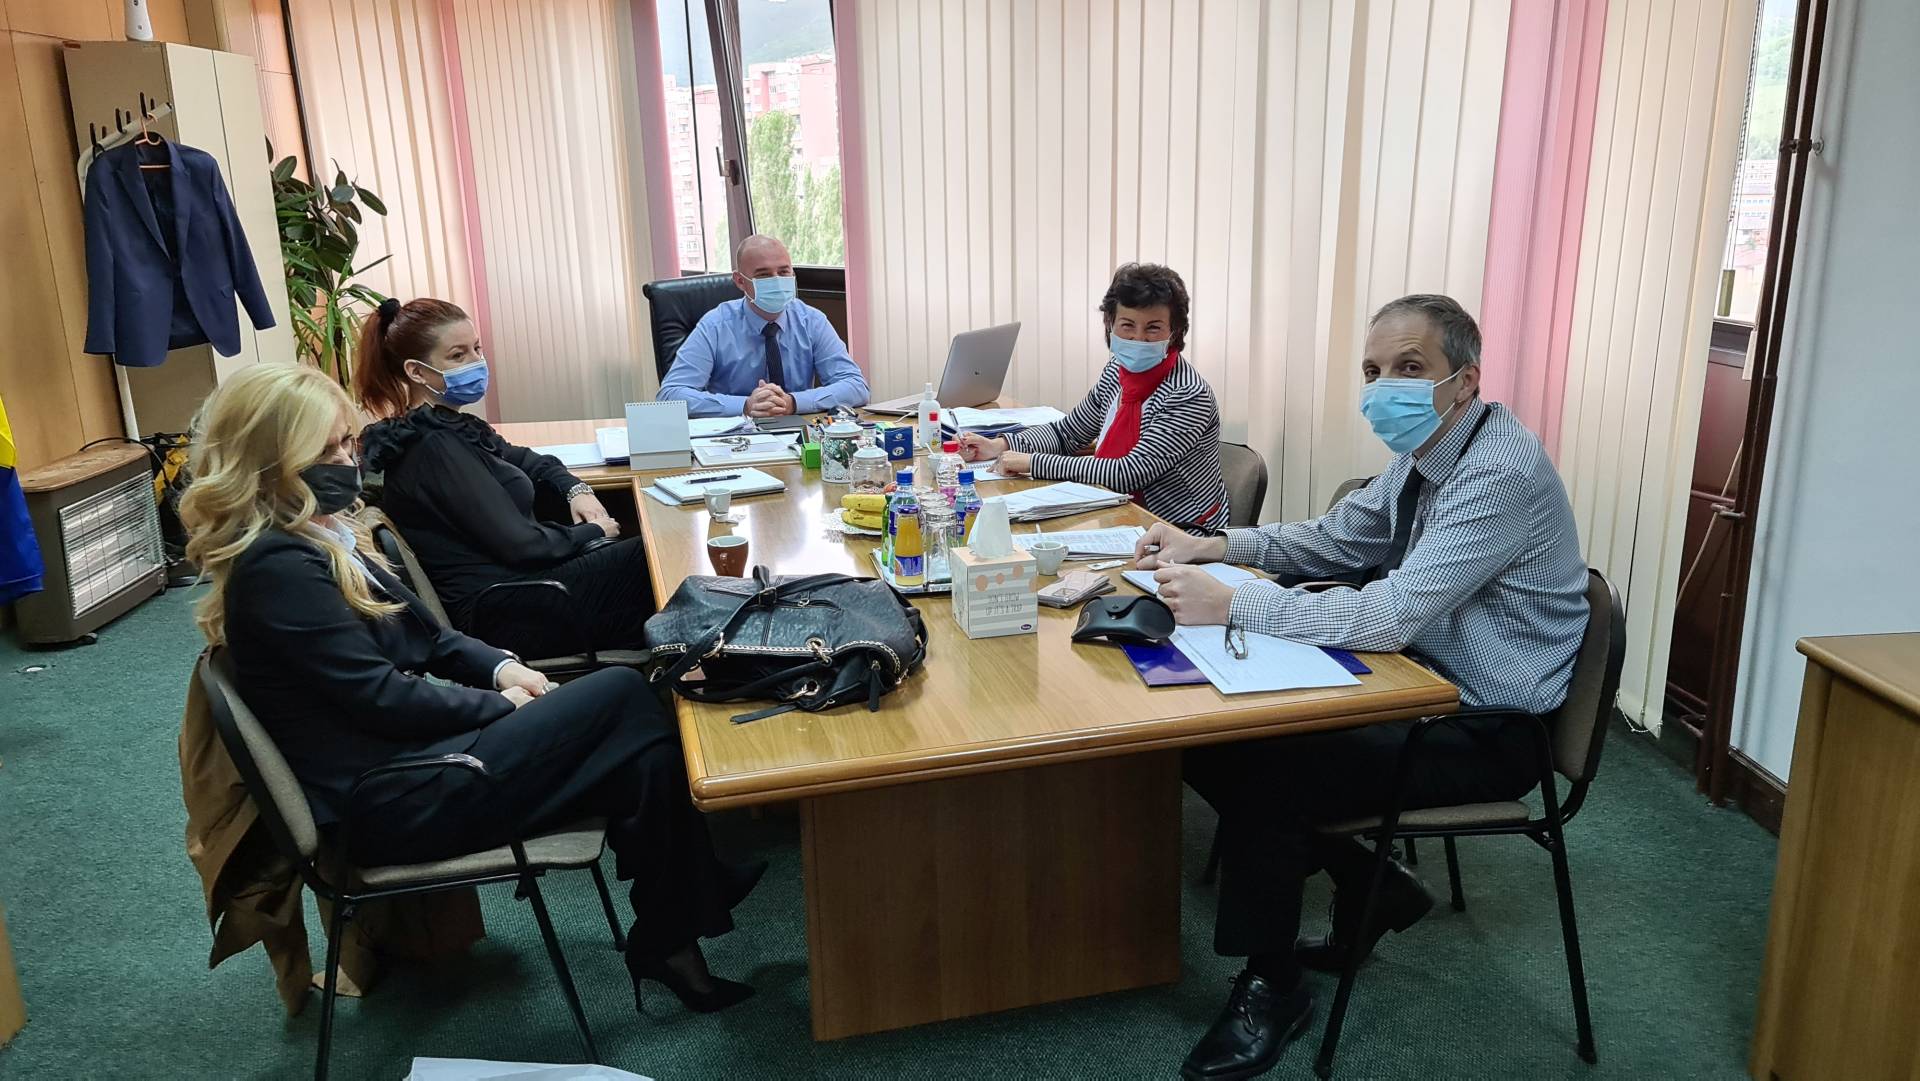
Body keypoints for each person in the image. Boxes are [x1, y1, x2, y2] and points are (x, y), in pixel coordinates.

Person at [179, 363, 763, 1015]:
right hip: (393, 799)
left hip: (415, 765)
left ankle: (673, 937)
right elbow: (383, 698)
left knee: (640, 752)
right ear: (268, 465)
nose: (349, 461)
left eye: (347, 442)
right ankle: (689, 904)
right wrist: (500, 705)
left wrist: (501, 669)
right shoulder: (278, 568)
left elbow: (429, 637)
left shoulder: (318, 535)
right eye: (327, 451)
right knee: (625, 695)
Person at [1133, 295, 1588, 1080]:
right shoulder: (1429, 450)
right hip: (1413, 681)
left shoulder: (1499, 471)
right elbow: (1339, 538)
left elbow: (1391, 613)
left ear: (1465, 379)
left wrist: (1233, 602)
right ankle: (1371, 881)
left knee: (1275, 769)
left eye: (1410, 367)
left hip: (1488, 723)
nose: (1385, 388)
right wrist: (1213, 545)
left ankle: (1274, 984)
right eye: (1374, 371)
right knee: (1205, 735)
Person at [354, 297, 652, 661]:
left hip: (524, 586)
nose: (476, 362)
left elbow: (530, 460)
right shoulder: (433, 447)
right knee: (648, 557)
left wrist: (576, 490)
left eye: (477, 349)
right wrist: (593, 531)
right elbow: (522, 544)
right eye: (458, 355)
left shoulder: (452, 425)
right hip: (505, 613)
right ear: (417, 372)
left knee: (647, 560)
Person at [957, 263, 1229, 533]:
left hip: (1180, 531)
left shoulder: (1188, 394)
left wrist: (1032, 462)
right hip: (1115, 510)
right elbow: (1067, 433)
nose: (1138, 338)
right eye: (1127, 325)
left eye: (1153, 328)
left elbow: (1129, 473)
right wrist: (999, 445)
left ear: (1174, 331)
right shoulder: (1116, 371)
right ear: (1110, 324)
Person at [655, 234, 870, 417]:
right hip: (734, 436)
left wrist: (793, 402)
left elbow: (856, 386)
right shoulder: (715, 326)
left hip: (798, 435)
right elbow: (670, 395)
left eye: (783, 272)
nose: (776, 280)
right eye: (764, 275)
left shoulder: (811, 321)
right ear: (740, 281)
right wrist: (745, 406)